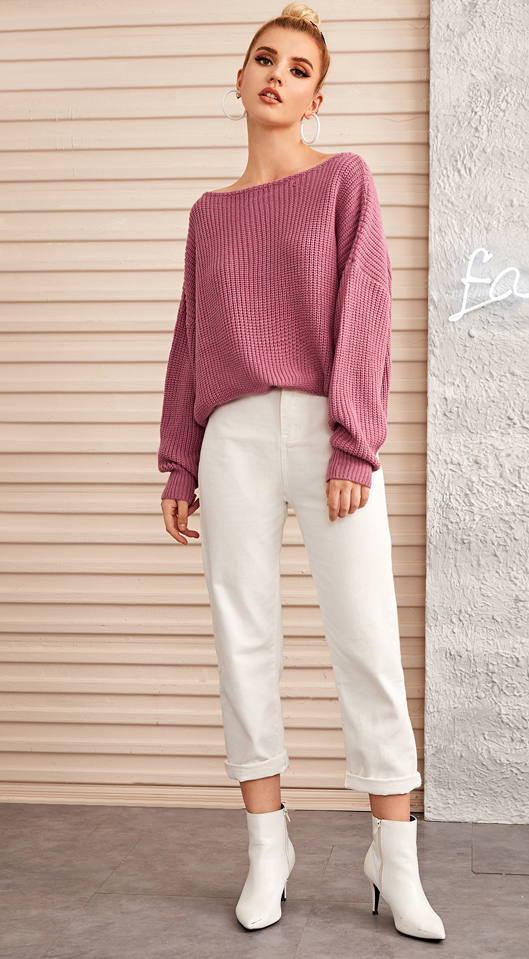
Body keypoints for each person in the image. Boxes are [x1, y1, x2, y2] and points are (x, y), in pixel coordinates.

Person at [157, 3, 445, 941]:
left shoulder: (343, 181)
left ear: (318, 96)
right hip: (233, 436)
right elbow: (192, 339)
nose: (277, 75)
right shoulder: (209, 215)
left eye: (298, 68)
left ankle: (395, 859)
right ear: (239, 79)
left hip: (327, 429)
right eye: (264, 59)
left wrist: (355, 441)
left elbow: (367, 308)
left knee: (366, 637)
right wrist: (178, 463)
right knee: (243, 637)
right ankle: (267, 848)